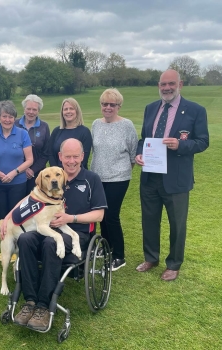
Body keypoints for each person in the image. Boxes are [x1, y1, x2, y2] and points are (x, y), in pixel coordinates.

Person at [2, 138, 107, 331]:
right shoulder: (51, 176)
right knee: (25, 239)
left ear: (82, 157)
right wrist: (8, 217)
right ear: (60, 157)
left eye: (76, 156)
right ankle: (30, 301)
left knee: (50, 243)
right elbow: (30, 198)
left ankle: (43, 306)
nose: (72, 161)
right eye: (67, 157)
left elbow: (99, 215)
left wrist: (71, 218)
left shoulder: (91, 179)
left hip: (78, 232)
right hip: (46, 227)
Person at [134, 69, 209, 281]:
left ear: (180, 84)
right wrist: (140, 153)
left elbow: (203, 141)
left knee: (177, 223)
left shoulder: (195, 110)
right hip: (150, 177)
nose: (166, 88)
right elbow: (144, 138)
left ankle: (174, 263)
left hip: (176, 179)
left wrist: (180, 144)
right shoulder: (150, 108)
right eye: (163, 84)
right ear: (158, 85)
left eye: (171, 84)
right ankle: (151, 257)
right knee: (149, 220)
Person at [90, 88, 138, 271]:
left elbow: (133, 153)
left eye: (112, 104)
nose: (108, 107)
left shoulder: (126, 125)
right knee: (101, 215)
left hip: (119, 178)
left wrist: (121, 171)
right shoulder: (96, 124)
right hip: (98, 177)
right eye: (104, 104)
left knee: (111, 216)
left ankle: (119, 256)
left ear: (119, 106)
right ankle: (106, 246)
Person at [0, 100, 33, 259]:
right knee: (2, 218)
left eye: (10, 117)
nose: (7, 120)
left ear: (14, 118)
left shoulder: (23, 134)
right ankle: (5, 249)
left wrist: (14, 172)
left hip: (18, 183)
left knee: (16, 217)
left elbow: (29, 159)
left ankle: (17, 249)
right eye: (4, 116)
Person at [15, 94, 50, 195]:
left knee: (35, 205)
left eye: (34, 109)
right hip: (17, 173)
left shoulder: (44, 126)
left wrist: (32, 170)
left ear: (38, 111)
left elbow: (46, 153)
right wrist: (23, 169)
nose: (31, 112)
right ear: (24, 109)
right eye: (28, 109)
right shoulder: (15, 124)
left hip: (36, 174)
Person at [48, 98, 92, 169]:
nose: (68, 111)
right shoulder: (56, 131)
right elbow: (50, 154)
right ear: (62, 112)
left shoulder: (84, 132)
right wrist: (58, 172)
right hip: (58, 176)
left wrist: (70, 173)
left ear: (77, 111)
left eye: (71, 109)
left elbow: (83, 159)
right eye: (65, 109)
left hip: (78, 175)